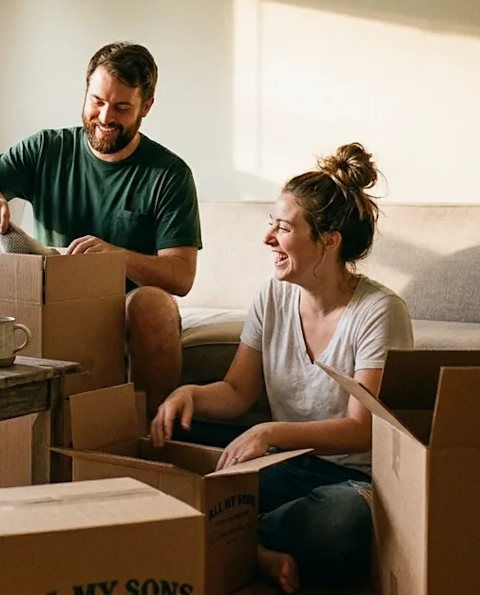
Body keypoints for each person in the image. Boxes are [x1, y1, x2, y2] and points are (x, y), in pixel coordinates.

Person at [148, 143, 412, 594]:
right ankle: (244, 544)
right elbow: (236, 391)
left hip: (352, 481)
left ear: (328, 242)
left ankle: (224, 540)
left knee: (336, 525)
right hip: (286, 468)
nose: (268, 239)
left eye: (283, 228)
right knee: (174, 446)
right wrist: (188, 393)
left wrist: (270, 432)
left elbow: (361, 429)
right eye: (271, 224)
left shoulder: (378, 311)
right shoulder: (272, 297)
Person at [0, 42, 202, 415]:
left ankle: (146, 436)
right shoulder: (47, 149)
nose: (104, 116)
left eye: (121, 108)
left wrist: (115, 258)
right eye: (97, 101)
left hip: (124, 306)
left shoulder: (170, 175)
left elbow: (181, 276)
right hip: (50, 301)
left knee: (154, 304)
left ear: (146, 107)